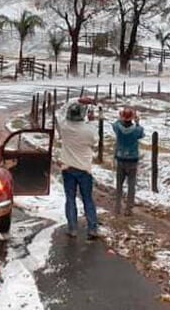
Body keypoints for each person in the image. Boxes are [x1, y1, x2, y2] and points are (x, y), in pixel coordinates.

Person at [55, 99, 99, 239]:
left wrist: (76, 100)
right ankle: (92, 228)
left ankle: (72, 228)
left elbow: (59, 111)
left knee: (70, 198)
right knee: (88, 199)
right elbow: (95, 140)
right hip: (84, 169)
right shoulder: (88, 130)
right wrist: (92, 121)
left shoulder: (64, 126)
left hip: (68, 167)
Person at [113, 107, 144, 216]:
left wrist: (120, 117)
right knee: (131, 184)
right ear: (131, 118)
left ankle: (117, 207)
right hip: (132, 159)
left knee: (119, 184)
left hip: (121, 158)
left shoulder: (118, 128)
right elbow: (141, 134)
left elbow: (115, 124)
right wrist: (137, 122)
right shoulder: (137, 130)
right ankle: (128, 208)